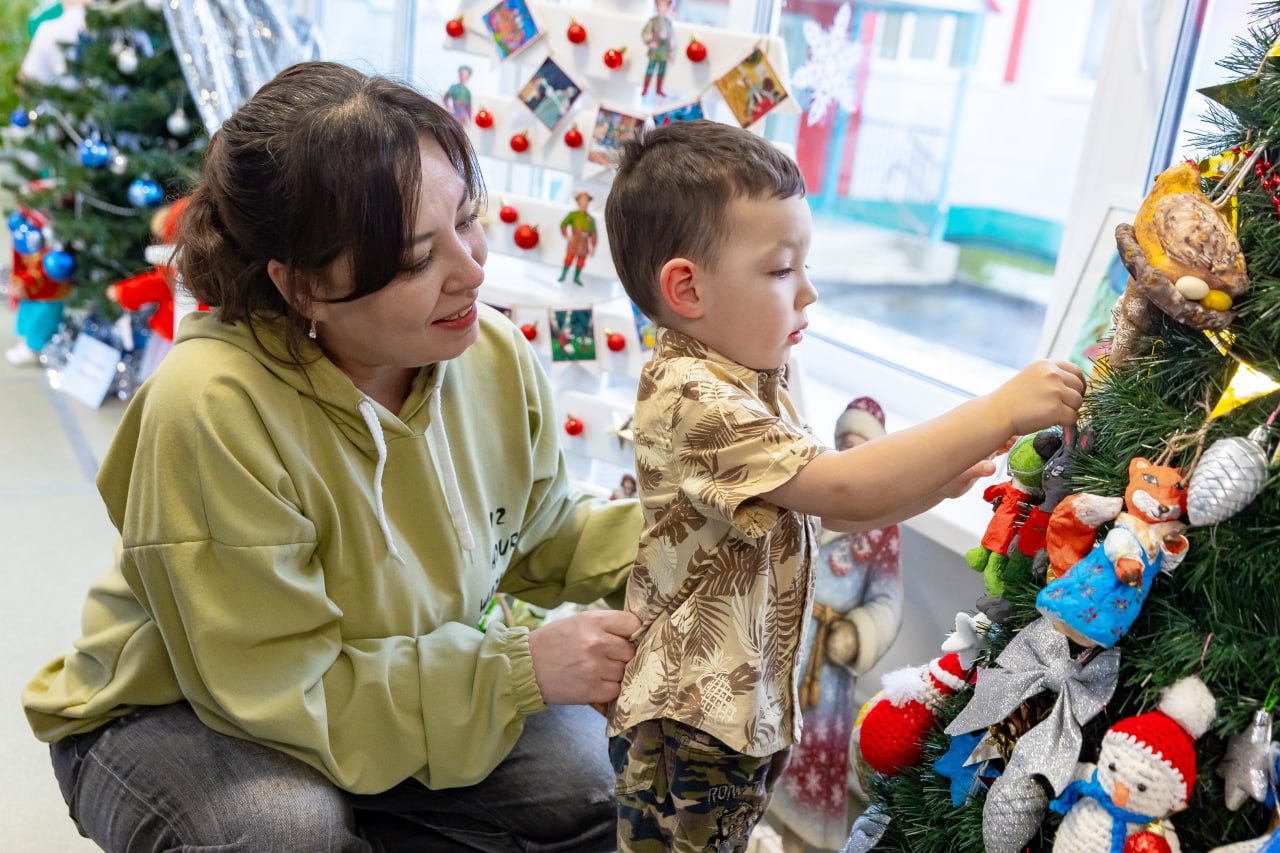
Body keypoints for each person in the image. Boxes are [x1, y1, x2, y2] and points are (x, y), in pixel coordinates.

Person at [22, 61, 644, 853]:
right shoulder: (210, 406)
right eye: (418, 258)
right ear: (302, 286)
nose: (473, 268)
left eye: (468, 218)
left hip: (384, 684)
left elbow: (541, 533)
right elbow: (279, 686)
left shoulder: (486, 350)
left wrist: (703, 529)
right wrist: (517, 669)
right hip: (184, 705)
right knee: (284, 830)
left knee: (602, 789)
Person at [601, 120, 1085, 852]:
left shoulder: (755, 375)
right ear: (687, 288)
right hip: (691, 724)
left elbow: (825, 507)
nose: (810, 292)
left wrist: (930, 487)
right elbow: (842, 487)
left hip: (748, 709)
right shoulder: (693, 396)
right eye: (780, 271)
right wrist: (996, 411)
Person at [769, 397, 905, 852]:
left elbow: (888, 598)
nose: (851, 453)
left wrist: (859, 632)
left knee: (809, 760)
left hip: (826, 672)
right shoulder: (812, 493)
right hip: (784, 643)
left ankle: (797, 842)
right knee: (764, 748)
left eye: (861, 445)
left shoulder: (883, 521)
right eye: (845, 443)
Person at [559, 191, 598, 284]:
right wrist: (567, 236)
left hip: (584, 244)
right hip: (574, 241)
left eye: (586, 200)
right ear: (578, 201)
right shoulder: (573, 215)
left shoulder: (591, 219)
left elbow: (593, 234)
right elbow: (563, 224)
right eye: (583, 199)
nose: (585, 202)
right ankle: (563, 275)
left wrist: (593, 247)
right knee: (568, 259)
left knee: (581, 262)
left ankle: (576, 278)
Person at [640, 0, 677, 97]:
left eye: (665, 6)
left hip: (664, 49)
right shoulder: (653, 21)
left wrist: (671, 51)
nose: (663, 9)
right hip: (655, 49)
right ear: (657, 6)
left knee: (661, 70)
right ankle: (645, 89)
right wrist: (649, 42)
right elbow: (645, 33)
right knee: (650, 69)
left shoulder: (668, 23)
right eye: (661, 6)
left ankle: (659, 89)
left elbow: (671, 37)